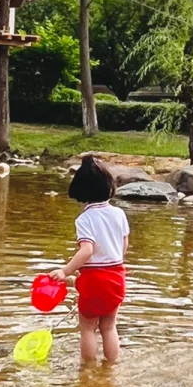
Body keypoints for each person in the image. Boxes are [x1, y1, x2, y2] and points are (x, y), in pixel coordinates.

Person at [50, 155, 129, 365]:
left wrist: (65, 271)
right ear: (109, 186)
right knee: (109, 326)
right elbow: (124, 244)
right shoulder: (119, 214)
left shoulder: (84, 219)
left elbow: (87, 250)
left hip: (95, 279)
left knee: (87, 328)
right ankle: (111, 367)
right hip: (116, 276)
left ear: (80, 191)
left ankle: (87, 371)